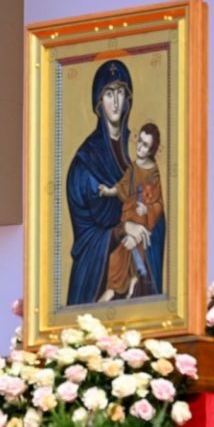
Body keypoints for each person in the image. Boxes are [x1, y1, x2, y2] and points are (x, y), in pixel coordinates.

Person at [66, 59, 152, 304]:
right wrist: (122, 229)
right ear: (98, 102)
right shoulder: (85, 161)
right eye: (108, 93)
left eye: (121, 92)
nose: (115, 102)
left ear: (128, 99)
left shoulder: (138, 148)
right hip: (96, 273)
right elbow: (86, 235)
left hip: (138, 261)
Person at [97, 123, 166, 301]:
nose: (140, 147)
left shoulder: (154, 173)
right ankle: (120, 285)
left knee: (131, 248)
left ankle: (128, 283)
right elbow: (122, 186)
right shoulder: (133, 168)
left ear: (152, 150)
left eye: (145, 145)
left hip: (143, 220)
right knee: (118, 254)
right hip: (130, 215)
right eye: (139, 141)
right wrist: (108, 191)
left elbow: (159, 203)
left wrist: (147, 209)